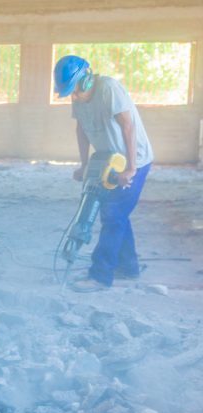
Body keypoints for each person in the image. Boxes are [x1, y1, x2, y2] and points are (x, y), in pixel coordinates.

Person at [54, 55, 154, 292]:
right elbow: (81, 128)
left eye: (75, 91)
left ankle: (100, 276)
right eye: (69, 93)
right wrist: (84, 164)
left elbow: (128, 126)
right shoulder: (78, 97)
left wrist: (131, 167)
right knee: (117, 215)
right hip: (108, 160)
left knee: (112, 215)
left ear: (86, 80)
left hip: (134, 160)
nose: (74, 97)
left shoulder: (109, 88)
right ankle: (129, 268)